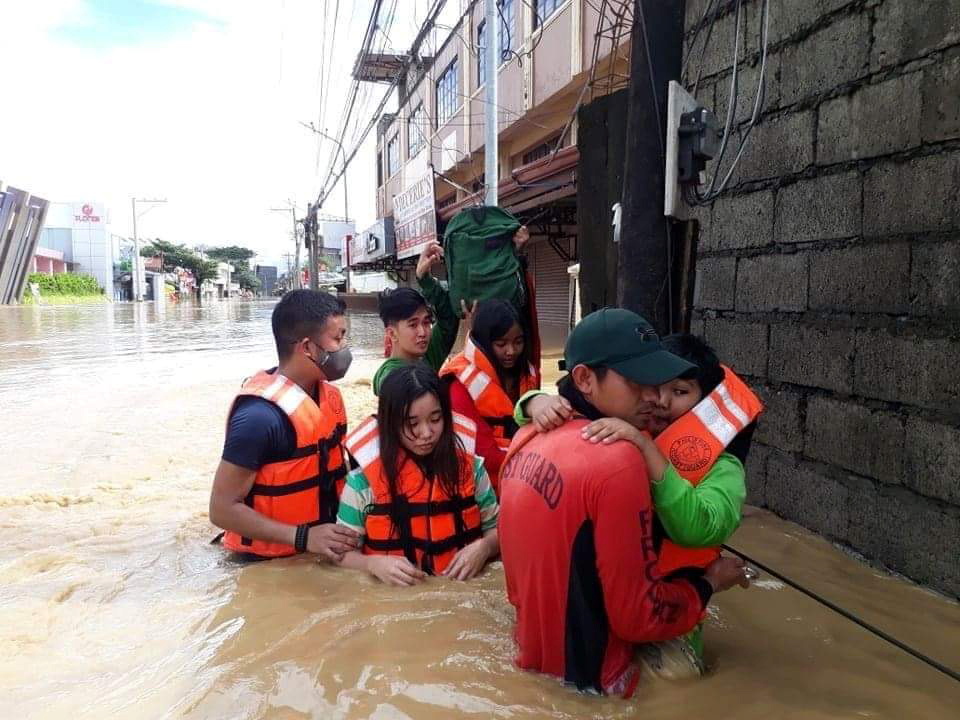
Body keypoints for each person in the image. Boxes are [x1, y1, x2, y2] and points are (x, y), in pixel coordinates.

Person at [498, 308, 749, 697]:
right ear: (583, 379)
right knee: (682, 680)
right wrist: (533, 401)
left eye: (677, 391)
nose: (657, 399)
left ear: (707, 405)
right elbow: (637, 617)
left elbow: (702, 525)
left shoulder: (526, 440)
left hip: (545, 650)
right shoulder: (620, 456)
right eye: (643, 382)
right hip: (613, 657)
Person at [209, 290, 361, 561]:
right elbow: (221, 509)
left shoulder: (329, 398)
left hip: (323, 549)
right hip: (262, 564)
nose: (345, 347)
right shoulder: (259, 418)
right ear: (306, 347)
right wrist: (304, 537)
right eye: (338, 338)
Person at [336, 363, 500, 585]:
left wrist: (485, 547)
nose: (426, 433)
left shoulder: (473, 469)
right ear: (390, 424)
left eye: (435, 419)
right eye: (412, 423)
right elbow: (340, 555)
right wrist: (372, 564)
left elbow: (501, 531)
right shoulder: (361, 484)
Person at [439, 299, 541, 494]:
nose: (511, 351)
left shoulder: (527, 372)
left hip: (523, 477)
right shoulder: (458, 383)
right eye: (501, 344)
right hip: (483, 488)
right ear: (484, 341)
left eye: (518, 342)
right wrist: (537, 466)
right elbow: (482, 453)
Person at [372, 242, 461, 395]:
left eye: (426, 322)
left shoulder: (427, 355)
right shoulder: (389, 375)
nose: (423, 332)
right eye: (413, 325)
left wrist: (424, 279)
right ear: (392, 334)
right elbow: (394, 384)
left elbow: (450, 317)